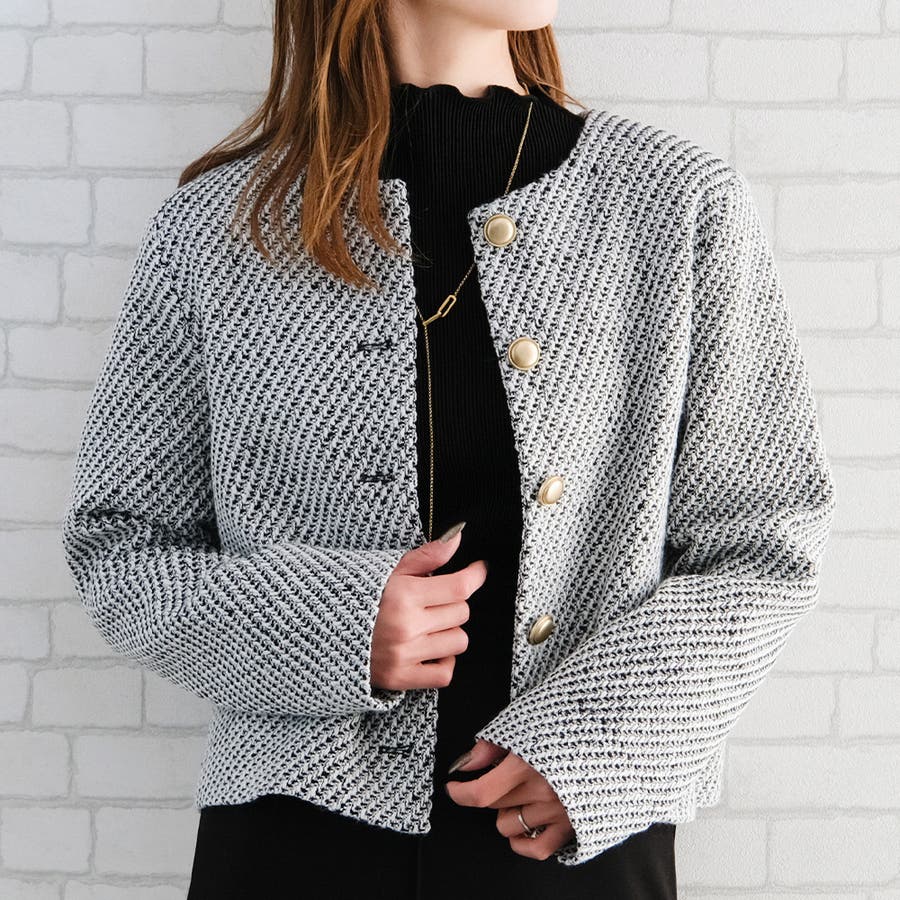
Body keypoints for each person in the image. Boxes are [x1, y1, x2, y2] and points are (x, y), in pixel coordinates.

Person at [60, 0, 836, 898]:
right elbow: (121, 547)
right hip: (295, 838)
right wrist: (332, 627)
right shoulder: (220, 227)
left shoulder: (676, 202)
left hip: (571, 836)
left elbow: (765, 544)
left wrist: (599, 739)